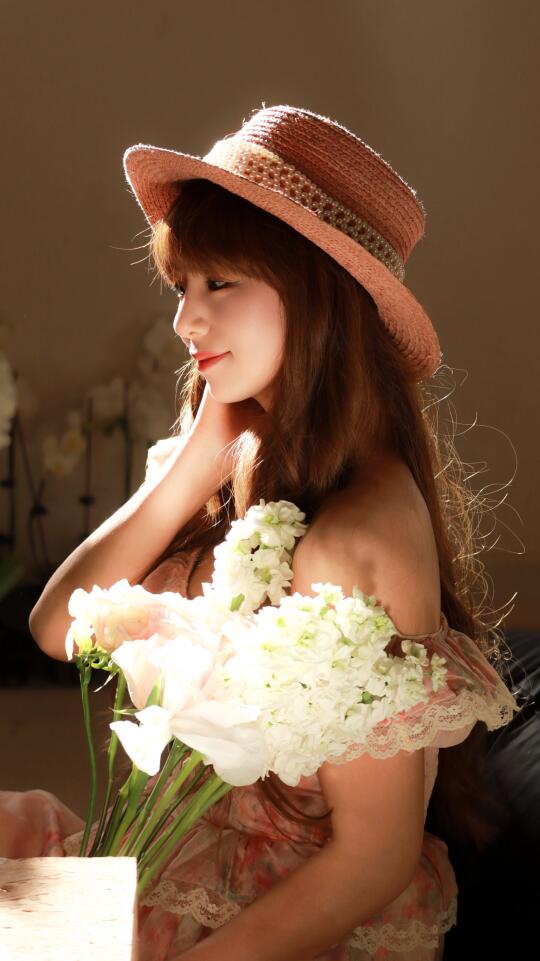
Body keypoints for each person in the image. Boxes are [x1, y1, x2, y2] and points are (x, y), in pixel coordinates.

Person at [8, 104, 519, 961]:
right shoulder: (234, 457)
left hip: (267, 929)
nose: (185, 321)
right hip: (167, 875)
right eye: (182, 286)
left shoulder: (359, 538)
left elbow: (374, 856)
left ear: (318, 294)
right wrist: (191, 464)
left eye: (220, 284)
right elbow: (56, 628)